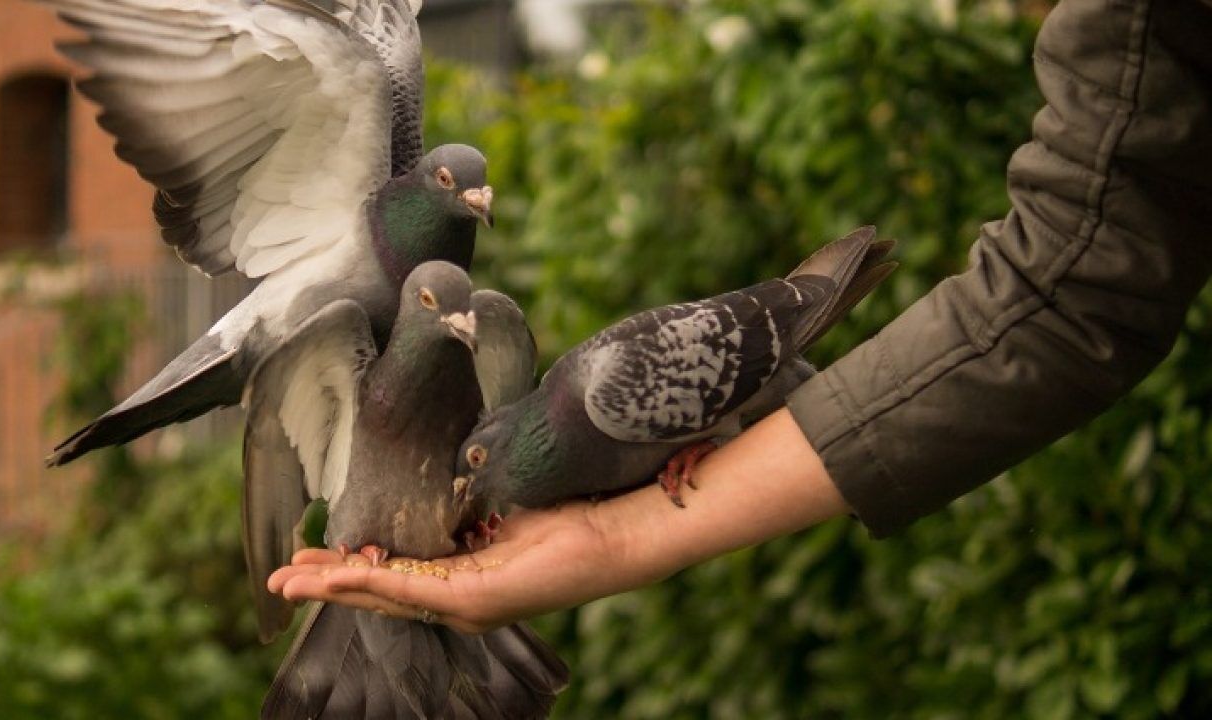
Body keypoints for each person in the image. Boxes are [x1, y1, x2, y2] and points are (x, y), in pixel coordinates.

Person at [268, 0, 1212, 634]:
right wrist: (622, 539)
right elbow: (1079, 271)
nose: (471, 486)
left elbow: (1073, 273)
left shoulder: (592, 389)